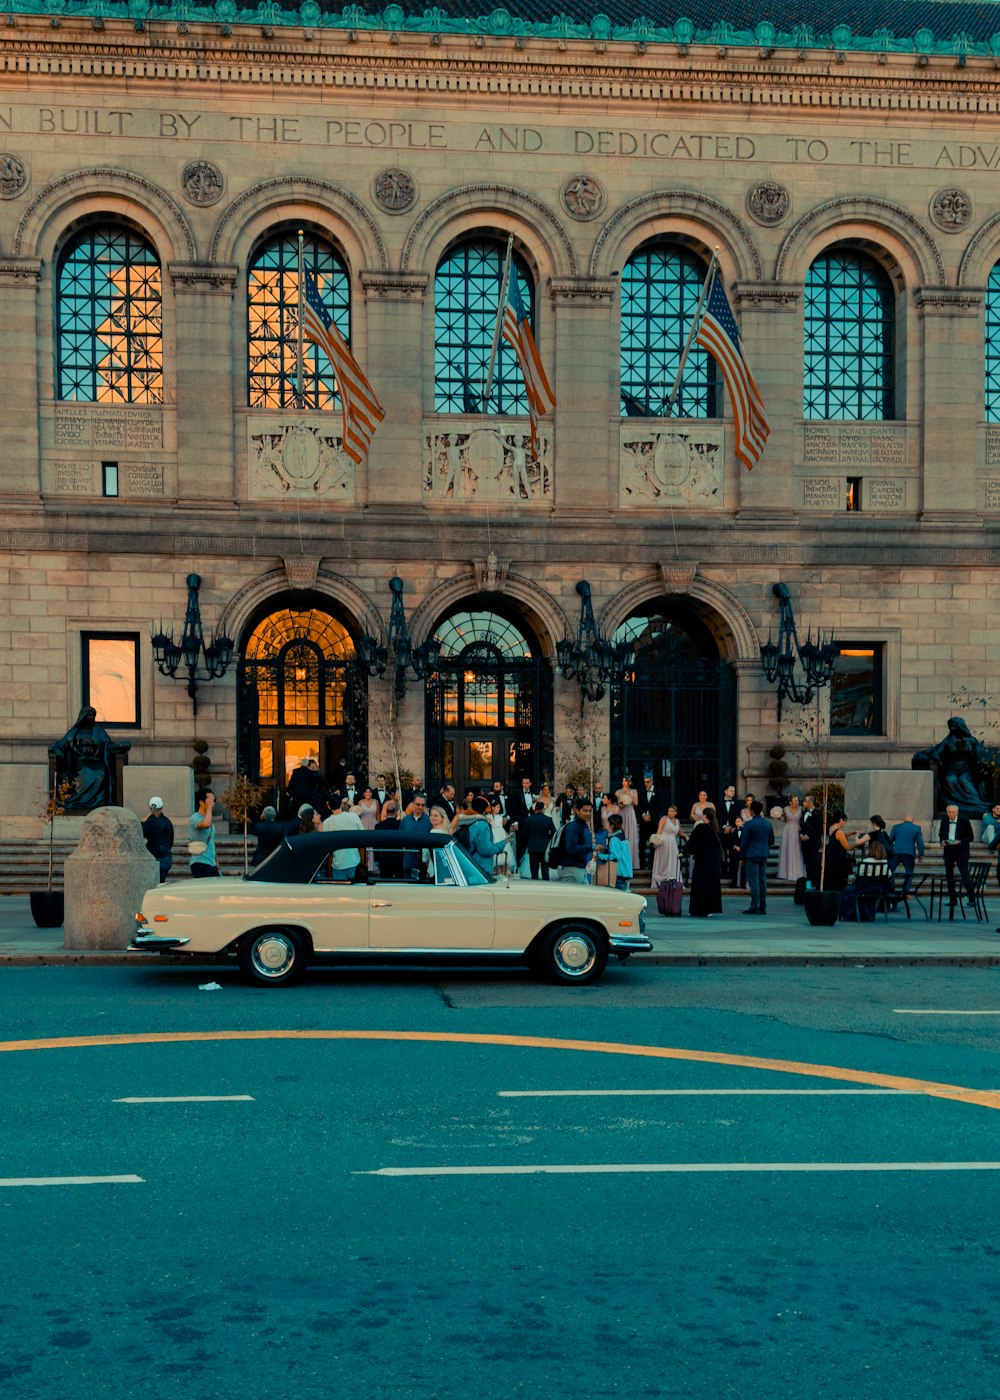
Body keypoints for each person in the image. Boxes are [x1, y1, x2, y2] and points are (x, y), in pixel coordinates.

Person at [49, 704, 130, 812]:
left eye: (93, 715)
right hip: (78, 762)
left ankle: (97, 802)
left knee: (102, 772)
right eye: (89, 715)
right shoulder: (74, 732)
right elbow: (61, 744)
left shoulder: (98, 731)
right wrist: (56, 749)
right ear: (83, 716)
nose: (91, 718)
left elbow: (108, 744)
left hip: (95, 761)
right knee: (86, 772)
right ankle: (77, 801)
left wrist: (119, 746)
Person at [912, 716, 990, 816]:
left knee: (965, 782)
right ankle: (953, 808)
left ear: (960, 727)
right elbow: (937, 751)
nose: (952, 728)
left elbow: (978, 755)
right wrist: (931, 756)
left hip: (966, 770)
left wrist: (977, 750)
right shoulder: (948, 740)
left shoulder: (971, 740)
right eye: (951, 726)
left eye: (954, 726)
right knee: (950, 780)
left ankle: (976, 805)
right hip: (950, 769)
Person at [455, 796, 507, 877]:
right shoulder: (482, 825)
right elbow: (486, 850)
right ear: (485, 809)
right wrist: (502, 843)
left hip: (471, 864)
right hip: (481, 868)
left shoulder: (469, 821)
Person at [686, 806, 723, 917]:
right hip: (714, 862)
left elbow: (693, 842)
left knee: (700, 885)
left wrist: (684, 851)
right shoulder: (715, 829)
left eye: (703, 814)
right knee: (711, 885)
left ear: (705, 816)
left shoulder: (701, 827)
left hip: (702, 861)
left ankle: (698, 909)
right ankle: (709, 909)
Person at [738, 800, 774, 915]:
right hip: (763, 854)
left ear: (752, 811)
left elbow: (744, 842)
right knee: (762, 881)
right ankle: (763, 906)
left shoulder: (749, 824)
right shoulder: (768, 823)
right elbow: (771, 841)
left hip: (751, 854)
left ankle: (754, 906)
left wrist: (741, 857)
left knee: (754, 882)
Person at [939, 802, 975, 907]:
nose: (951, 814)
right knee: (949, 875)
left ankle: (971, 899)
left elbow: (970, 837)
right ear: (946, 812)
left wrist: (960, 841)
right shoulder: (944, 821)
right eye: (949, 812)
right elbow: (941, 834)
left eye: (953, 812)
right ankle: (953, 899)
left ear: (957, 812)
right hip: (948, 851)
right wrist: (942, 841)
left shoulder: (964, 821)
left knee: (965, 875)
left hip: (961, 851)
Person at [321, 796, 364, 881]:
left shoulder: (327, 822)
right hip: (354, 861)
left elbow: (326, 845)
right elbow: (362, 837)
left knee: (339, 893)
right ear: (341, 804)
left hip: (338, 863)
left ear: (329, 807)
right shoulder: (354, 817)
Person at [823, 813, 867, 893]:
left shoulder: (831, 828)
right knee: (839, 880)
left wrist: (853, 832)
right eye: (844, 821)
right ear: (840, 820)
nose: (845, 823)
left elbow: (842, 835)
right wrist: (858, 844)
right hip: (838, 860)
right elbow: (848, 847)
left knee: (832, 880)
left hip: (831, 857)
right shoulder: (839, 832)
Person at [557, 800, 594, 884]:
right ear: (576, 810)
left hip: (579, 869)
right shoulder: (573, 827)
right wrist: (592, 848)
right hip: (570, 870)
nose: (588, 813)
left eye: (590, 811)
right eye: (585, 810)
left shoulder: (582, 826)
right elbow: (572, 848)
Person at [888, 814, 924, 898]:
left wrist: (889, 852)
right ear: (912, 821)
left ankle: (890, 890)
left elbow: (890, 840)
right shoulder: (916, 828)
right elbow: (920, 842)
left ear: (904, 820)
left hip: (895, 852)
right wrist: (920, 855)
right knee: (909, 874)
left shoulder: (896, 827)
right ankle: (904, 893)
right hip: (909, 853)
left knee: (889, 873)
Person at [189, 787, 221, 878]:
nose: (213, 804)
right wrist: (209, 808)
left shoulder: (210, 821)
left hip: (212, 864)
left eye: (214, 801)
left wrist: (216, 861)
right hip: (200, 862)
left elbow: (211, 842)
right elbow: (206, 824)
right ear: (201, 803)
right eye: (210, 801)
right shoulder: (194, 818)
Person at [520, 799, 556, 880]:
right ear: (543, 809)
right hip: (545, 847)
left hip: (533, 847)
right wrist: (548, 838)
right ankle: (546, 887)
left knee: (534, 871)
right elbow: (554, 834)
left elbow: (524, 834)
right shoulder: (548, 820)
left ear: (535, 809)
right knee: (545, 870)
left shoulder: (529, 819)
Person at [142, 796, 174, 883]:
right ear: (162, 807)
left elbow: (141, 834)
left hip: (154, 858)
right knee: (161, 882)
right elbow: (171, 841)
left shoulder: (150, 821)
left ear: (149, 808)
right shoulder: (168, 822)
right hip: (167, 858)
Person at [399, 794, 431, 879]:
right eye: (417, 804)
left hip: (424, 861)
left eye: (422, 805)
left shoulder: (429, 820)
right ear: (413, 804)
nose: (420, 807)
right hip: (408, 859)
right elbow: (399, 838)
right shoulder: (405, 821)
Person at [777, 795, 807, 882]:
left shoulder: (801, 809)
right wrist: (778, 816)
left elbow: (804, 820)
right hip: (787, 830)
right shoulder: (785, 809)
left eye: (797, 800)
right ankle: (786, 872)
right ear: (790, 802)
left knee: (797, 850)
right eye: (795, 801)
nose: (797, 802)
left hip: (797, 830)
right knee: (788, 849)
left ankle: (798, 872)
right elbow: (784, 820)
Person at [650, 805, 682, 886]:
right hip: (664, 842)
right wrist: (655, 840)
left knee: (673, 859)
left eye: (672, 811)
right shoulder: (664, 819)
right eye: (669, 811)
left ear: (676, 813)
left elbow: (679, 832)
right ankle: (661, 878)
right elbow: (659, 830)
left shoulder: (677, 821)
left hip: (673, 843)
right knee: (664, 860)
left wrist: (686, 836)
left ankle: (672, 877)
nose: (670, 813)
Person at [615, 776, 640, 871]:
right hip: (622, 813)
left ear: (629, 782)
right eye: (623, 780)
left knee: (631, 836)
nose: (624, 782)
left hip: (630, 813)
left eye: (626, 781)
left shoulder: (634, 791)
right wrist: (621, 803)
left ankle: (633, 863)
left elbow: (636, 803)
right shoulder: (618, 792)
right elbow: (617, 804)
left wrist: (629, 794)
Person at [604, 812, 634, 891]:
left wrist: (600, 856)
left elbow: (614, 856)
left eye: (608, 824)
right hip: (625, 873)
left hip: (618, 874)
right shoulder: (623, 836)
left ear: (612, 825)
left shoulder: (614, 839)